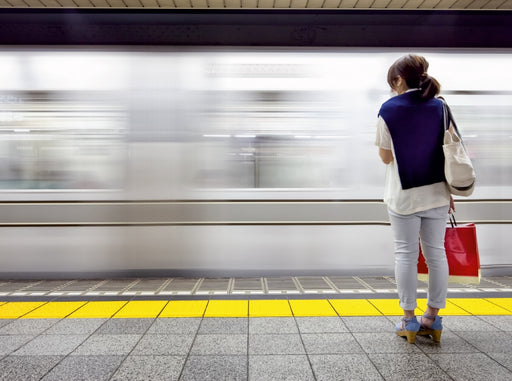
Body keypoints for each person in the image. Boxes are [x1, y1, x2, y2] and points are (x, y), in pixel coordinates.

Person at [375, 54, 455, 344]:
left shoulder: (388, 109)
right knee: (436, 254)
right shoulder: (440, 107)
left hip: (403, 196)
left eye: (392, 83)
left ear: (398, 79)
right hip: (437, 193)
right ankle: (432, 318)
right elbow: (450, 151)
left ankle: (408, 320)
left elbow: (385, 157)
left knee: (405, 255)